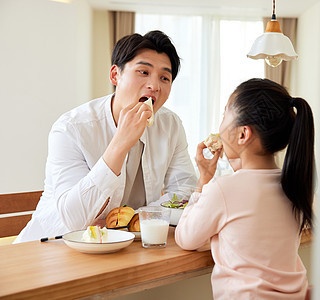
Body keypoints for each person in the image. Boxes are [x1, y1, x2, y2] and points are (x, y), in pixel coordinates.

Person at [15, 30, 197, 243]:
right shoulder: (70, 128)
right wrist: (120, 144)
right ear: (115, 75)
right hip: (53, 245)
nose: (154, 86)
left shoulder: (170, 125)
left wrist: (134, 218)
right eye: (143, 72)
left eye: (164, 77)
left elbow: (184, 191)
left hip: (128, 245)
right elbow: (74, 218)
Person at [175, 78, 315, 299]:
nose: (220, 126)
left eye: (224, 115)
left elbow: (186, 238)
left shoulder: (223, 189)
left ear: (243, 134)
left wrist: (203, 180)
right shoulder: (295, 185)